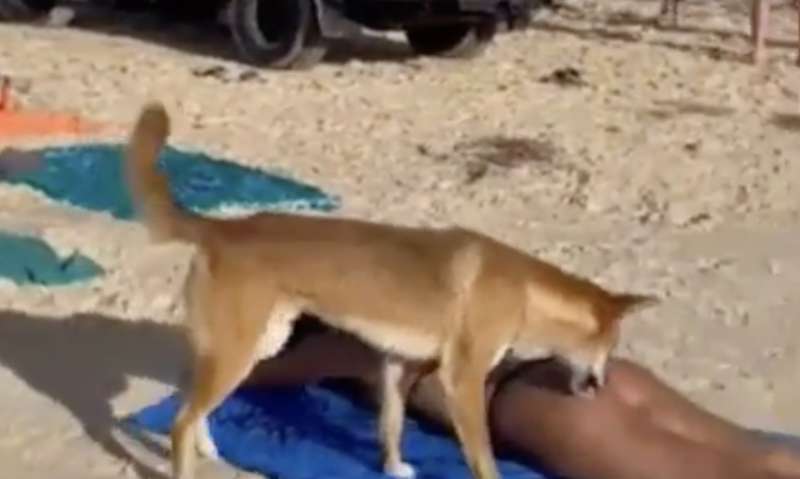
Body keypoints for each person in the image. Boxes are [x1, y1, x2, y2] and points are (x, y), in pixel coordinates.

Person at [242, 316, 800, 479]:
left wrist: (253, 371)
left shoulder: (356, 347)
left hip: (535, 408)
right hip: (586, 374)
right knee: (756, 454)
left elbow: (264, 376)